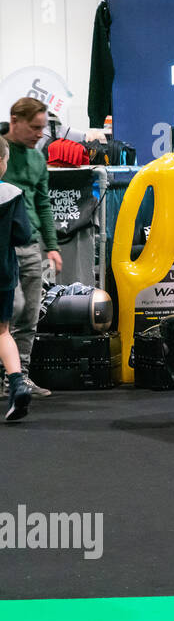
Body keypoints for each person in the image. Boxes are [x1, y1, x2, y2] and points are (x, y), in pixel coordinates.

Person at [1, 98, 62, 398]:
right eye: (35, 127)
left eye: (43, 128)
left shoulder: (38, 160)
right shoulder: (1, 152)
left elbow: (43, 203)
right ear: (15, 120)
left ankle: (19, 377)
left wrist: (52, 246)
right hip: (4, 245)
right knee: (13, 308)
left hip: (31, 244)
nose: (40, 134)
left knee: (29, 314)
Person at [0, 135, 34, 420]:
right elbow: (24, 235)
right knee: (2, 332)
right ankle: (17, 384)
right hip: (3, 275)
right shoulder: (12, 194)